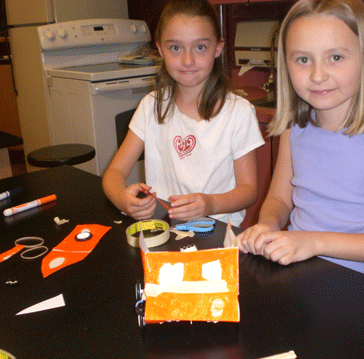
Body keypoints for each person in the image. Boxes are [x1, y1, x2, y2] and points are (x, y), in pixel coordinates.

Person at [237, 0, 364, 282]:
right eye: (303, 59)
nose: (317, 75)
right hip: (297, 269)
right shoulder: (294, 126)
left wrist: (314, 242)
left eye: (335, 57)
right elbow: (278, 199)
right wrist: (268, 224)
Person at [102, 0, 264, 227]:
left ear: (218, 48)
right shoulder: (151, 106)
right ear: (160, 49)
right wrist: (122, 199)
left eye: (200, 47)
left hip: (215, 233)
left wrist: (210, 204)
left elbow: (248, 191)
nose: (187, 60)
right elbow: (114, 173)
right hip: (163, 228)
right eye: (175, 48)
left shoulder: (238, 113)